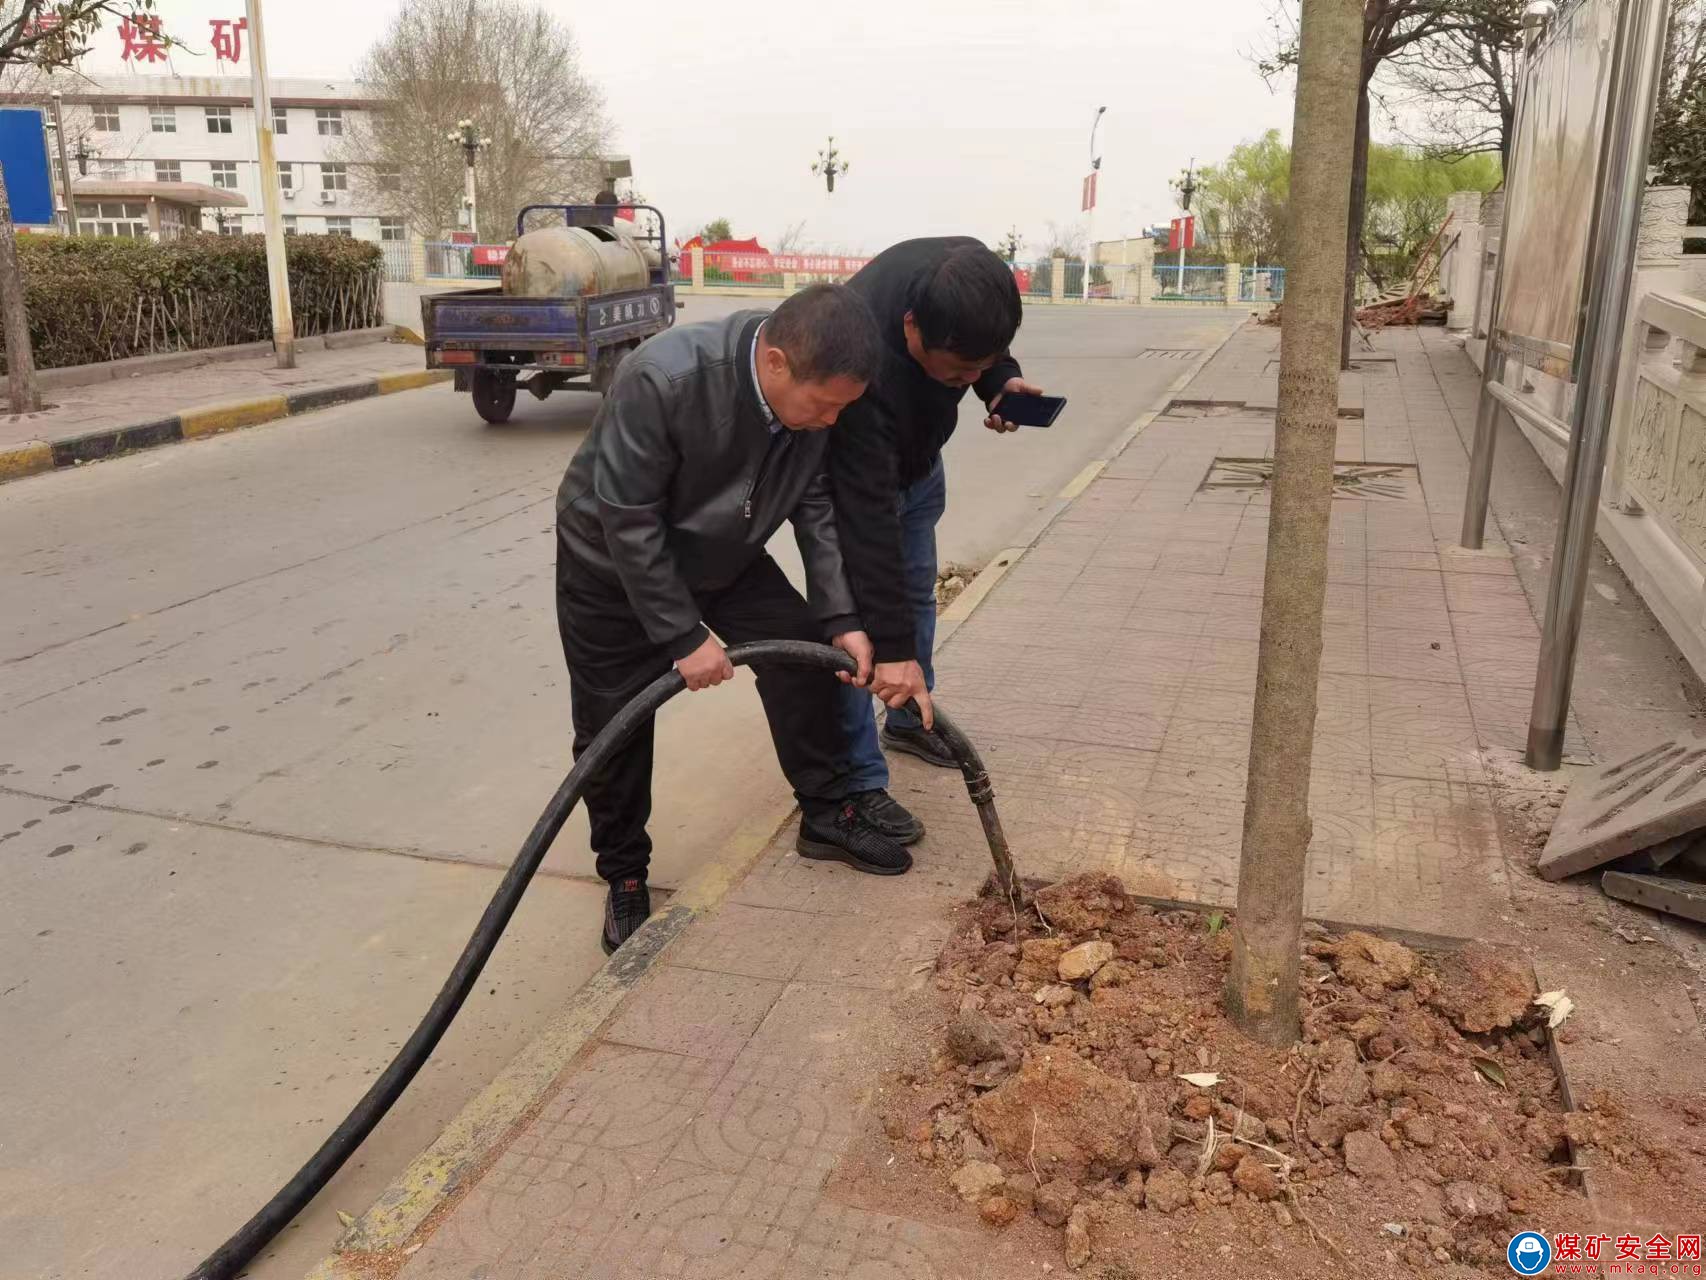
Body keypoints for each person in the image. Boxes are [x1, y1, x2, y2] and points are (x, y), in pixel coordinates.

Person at [554, 285, 921, 954]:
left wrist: (841, 616)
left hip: (724, 552)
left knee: (805, 658)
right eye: (825, 404)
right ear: (776, 363)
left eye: (845, 406)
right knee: (614, 725)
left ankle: (826, 811)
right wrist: (682, 635)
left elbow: (814, 505)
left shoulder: (806, 404)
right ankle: (626, 875)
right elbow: (628, 518)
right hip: (610, 564)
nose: (832, 421)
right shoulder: (665, 377)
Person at [828, 239, 1042, 836]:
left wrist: (1001, 380)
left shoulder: (968, 274)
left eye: (978, 366)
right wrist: (892, 650)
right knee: (861, 632)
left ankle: (908, 723)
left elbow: (986, 353)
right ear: (910, 327)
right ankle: (854, 785)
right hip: (858, 484)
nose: (967, 381)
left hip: (920, 466)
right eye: (959, 372)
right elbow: (867, 518)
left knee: (919, 595)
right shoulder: (858, 351)